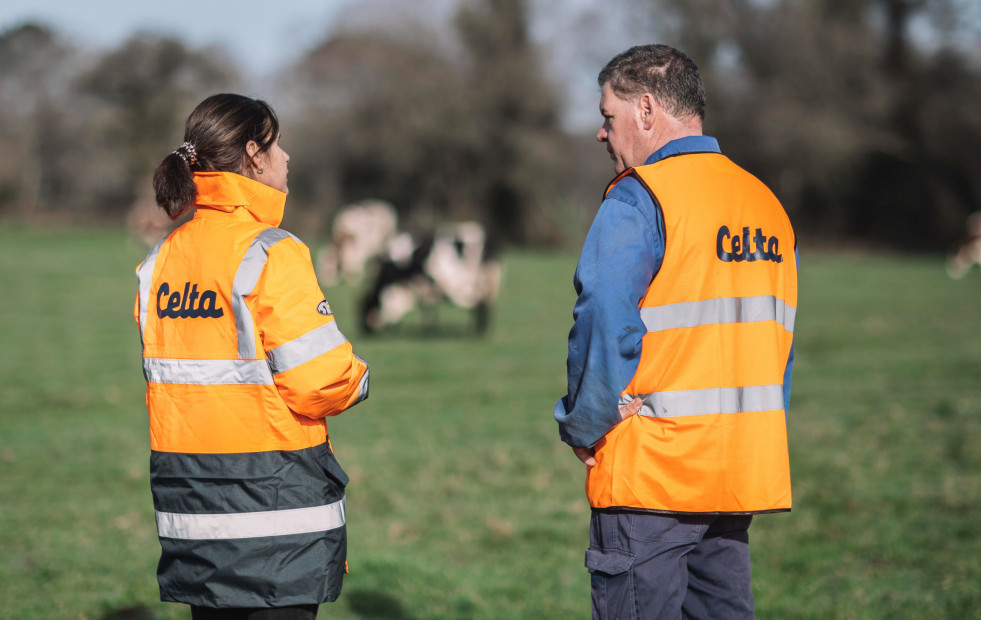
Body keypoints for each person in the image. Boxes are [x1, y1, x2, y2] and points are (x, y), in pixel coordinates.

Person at [553, 45, 798, 620]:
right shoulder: (765, 203)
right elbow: (775, 345)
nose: (600, 133)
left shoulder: (640, 197)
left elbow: (602, 322)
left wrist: (583, 427)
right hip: (737, 473)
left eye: (607, 116)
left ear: (644, 110)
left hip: (652, 475)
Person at [135, 94, 370, 620]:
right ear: (253, 155)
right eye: (277, 144)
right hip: (274, 523)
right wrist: (360, 377)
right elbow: (320, 380)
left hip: (192, 516)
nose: (288, 157)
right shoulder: (273, 251)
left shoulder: (160, 260)